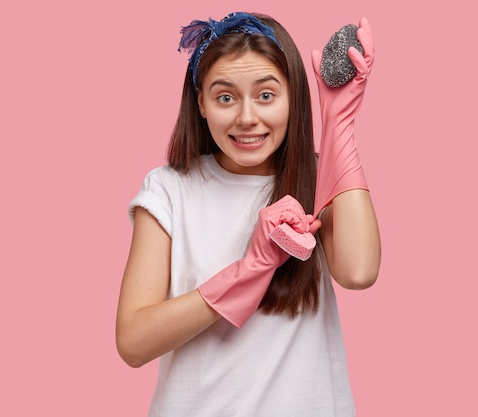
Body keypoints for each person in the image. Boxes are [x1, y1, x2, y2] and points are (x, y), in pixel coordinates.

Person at [116, 11, 381, 416]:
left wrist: (339, 124)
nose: (246, 117)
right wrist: (250, 270)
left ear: (293, 97)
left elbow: (359, 272)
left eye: (266, 95)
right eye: (225, 97)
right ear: (201, 102)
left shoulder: (318, 180)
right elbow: (134, 341)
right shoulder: (169, 189)